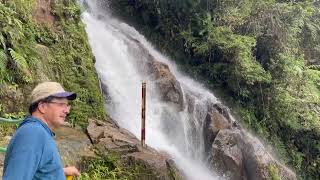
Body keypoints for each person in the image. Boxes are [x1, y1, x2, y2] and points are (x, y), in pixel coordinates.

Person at [3, 82, 81, 180]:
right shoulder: (32, 133)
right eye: (61, 104)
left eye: (67, 105)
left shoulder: (40, 132)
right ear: (42, 107)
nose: (67, 111)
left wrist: (60, 172)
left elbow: (38, 170)